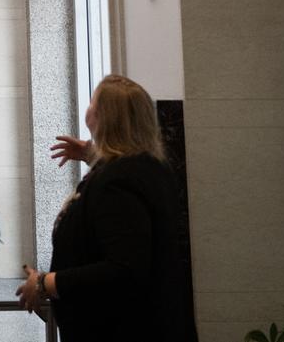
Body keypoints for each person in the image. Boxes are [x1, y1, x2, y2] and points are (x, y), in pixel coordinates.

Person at [15, 74, 197, 342]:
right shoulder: (152, 169)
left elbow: (123, 269)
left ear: (102, 117)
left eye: (92, 102)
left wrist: (46, 283)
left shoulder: (117, 183)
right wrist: (92, 153)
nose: (87, 108)